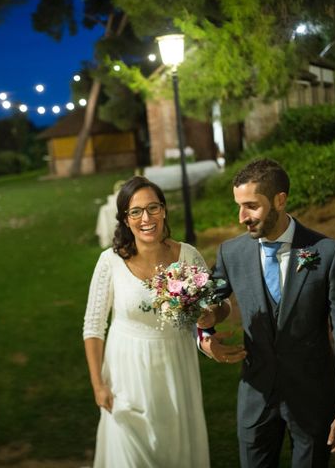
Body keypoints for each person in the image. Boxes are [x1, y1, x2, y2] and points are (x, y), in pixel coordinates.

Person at [199, 158, 335, 467]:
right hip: (256, 398)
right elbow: (204, 304)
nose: (241, 217)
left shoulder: (327, 254)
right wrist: (204, 336)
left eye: (251, 206)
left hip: (313, 398)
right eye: (238, 206)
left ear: (280, 200)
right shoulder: (231, 253)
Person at [83, 176, 211, 467]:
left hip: (175, 370)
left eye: (153, 208)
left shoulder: (188, 255)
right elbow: (93, 325)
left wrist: (208, 320)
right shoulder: (110, 262)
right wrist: (98, 385)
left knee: (175, 452)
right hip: (124, 376)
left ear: (164, 210)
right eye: (136, 211)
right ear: (125, 220)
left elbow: (216, 307)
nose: (146, 218)